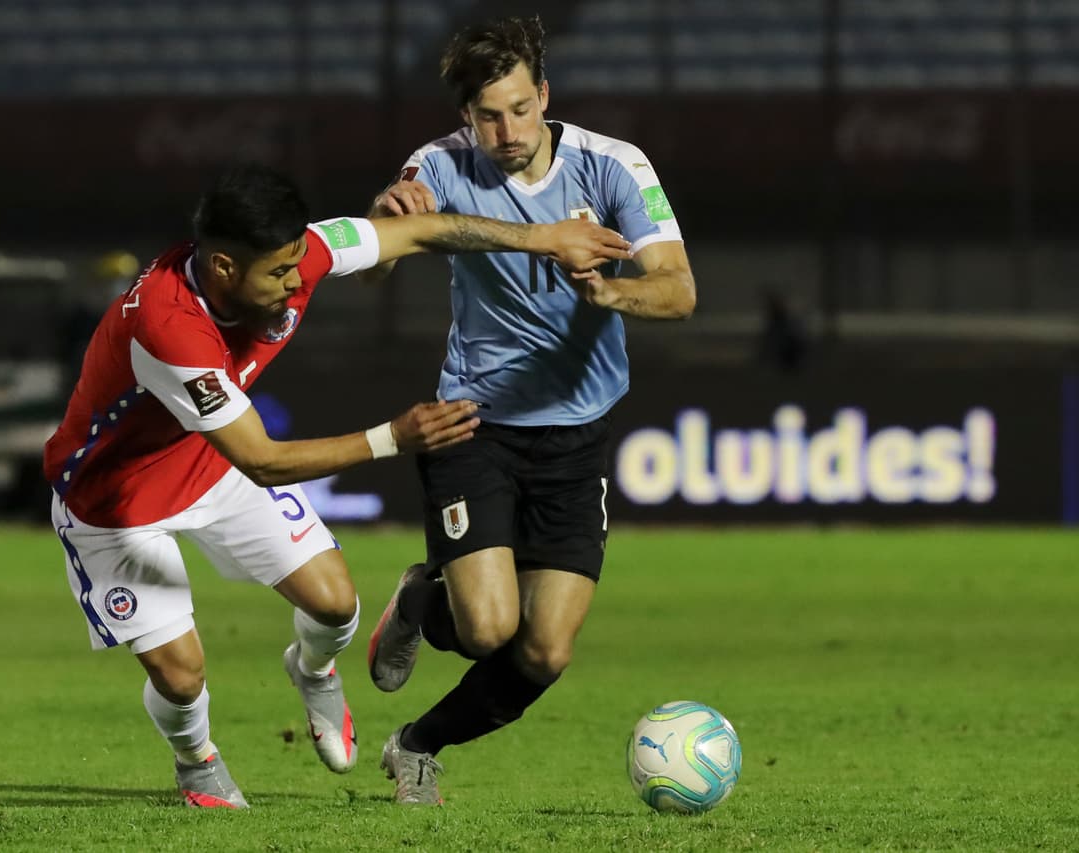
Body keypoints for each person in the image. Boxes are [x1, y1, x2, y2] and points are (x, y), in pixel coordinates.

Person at [42, 163, 630, 809]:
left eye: (299, 261)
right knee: (181, 675)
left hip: (206, 465)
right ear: (223, 269)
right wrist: (393, 438)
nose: (298, 281)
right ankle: (196, 760)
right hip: (116, 501)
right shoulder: (167, 325)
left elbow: (419, 231)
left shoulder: (303, 255)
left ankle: (313, 669)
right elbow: (262, 460)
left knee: (334, 603)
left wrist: (542, 236)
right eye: (279, 272)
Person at [360, 16, 698, 805]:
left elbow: (679, 290)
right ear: (464, 118)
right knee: (484, 629)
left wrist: (611, 292)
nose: (506, 131)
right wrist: (388, 212)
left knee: (543, 650)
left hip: (575, 439)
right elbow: (372, 267)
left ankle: (417, 742)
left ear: (543, 95)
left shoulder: (615, 166)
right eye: (487, 115)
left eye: (519, 108)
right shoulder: (438, 167)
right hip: (470, 424)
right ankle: (427, 598)